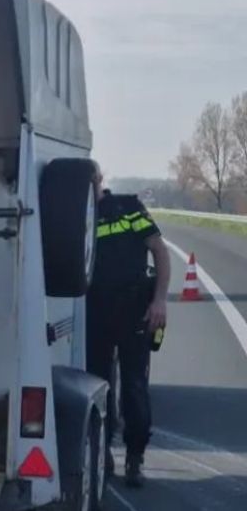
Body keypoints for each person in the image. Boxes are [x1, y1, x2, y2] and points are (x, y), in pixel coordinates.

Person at [85, 166, 170, 488]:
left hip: (135, 310)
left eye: (89, 184)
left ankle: (135, 458)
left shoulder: (128, 208)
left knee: (134, 386)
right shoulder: (79, 215)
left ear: (98, 182)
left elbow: (160, 252)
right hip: (95, 311)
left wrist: (159, 301)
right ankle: (102, 451)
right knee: (97, 383)